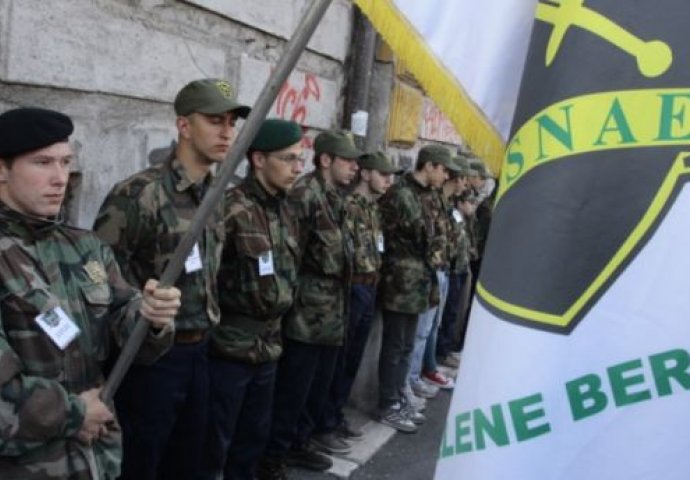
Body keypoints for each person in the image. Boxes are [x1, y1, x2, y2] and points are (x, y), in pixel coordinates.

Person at [0, 107, 181, 480]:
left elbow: (121, 319)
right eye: (42, 162)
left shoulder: (85, 246)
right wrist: (75, 414)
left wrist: (149, 315)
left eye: (66, 162)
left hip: (97, 459)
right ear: (2, 170)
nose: (59, 178)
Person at [94, 78, 250, 480]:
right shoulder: (139, 195)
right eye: (215, 120)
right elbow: (100, 280)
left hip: (202, 352)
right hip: (151, 360)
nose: (226, 132)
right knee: (141, 463)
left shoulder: (216, 194)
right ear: (184, 126)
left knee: (189, 463)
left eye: (231, 122)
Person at [199, 119, 303, 480]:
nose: (297, 168)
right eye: (288, 159)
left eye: (300, 159)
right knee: (214, 443)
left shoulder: (284, 209)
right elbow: (205, 279)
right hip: (229, 348)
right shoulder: (228, 208)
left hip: (269, 346)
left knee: (252, 440)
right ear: (259, 160)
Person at [258, 130, 360, 479]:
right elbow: (291, 256)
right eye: (347, 161)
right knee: (292, 388)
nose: (354, 169)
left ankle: (298, 442)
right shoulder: (304, 195)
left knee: (314, 387)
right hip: (305, 314)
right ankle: (274, 454)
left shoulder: (334, 197)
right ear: (326, 159)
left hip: (331, 311)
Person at [314, 151, 399, 449]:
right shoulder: (348, 206)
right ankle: (324, 423)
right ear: (366, 174)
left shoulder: (372, 207)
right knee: (339, 359)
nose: (388, 180)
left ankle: (335, 416)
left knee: (351, 359)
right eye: (382, 174)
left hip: (369, 284)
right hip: (352, 288)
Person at [376, 144, 460, 433]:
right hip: (401, 281)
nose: (446, 174)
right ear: (429, 166)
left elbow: (444, 235)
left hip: (421, 281)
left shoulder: (432, 196)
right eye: (443, 168)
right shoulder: (401, 194)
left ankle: (399, 396)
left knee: (409, 344)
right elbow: (409, 235)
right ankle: (388, 403)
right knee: (395, 345)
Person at [435, 155, 471, 369]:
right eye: (463, 178)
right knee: (433, 325)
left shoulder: (448, 204)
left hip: (455, 266)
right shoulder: (442, 202)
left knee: (447, 316)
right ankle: (437, 357)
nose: (465, 183)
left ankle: (440, 356)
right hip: (443, 267)